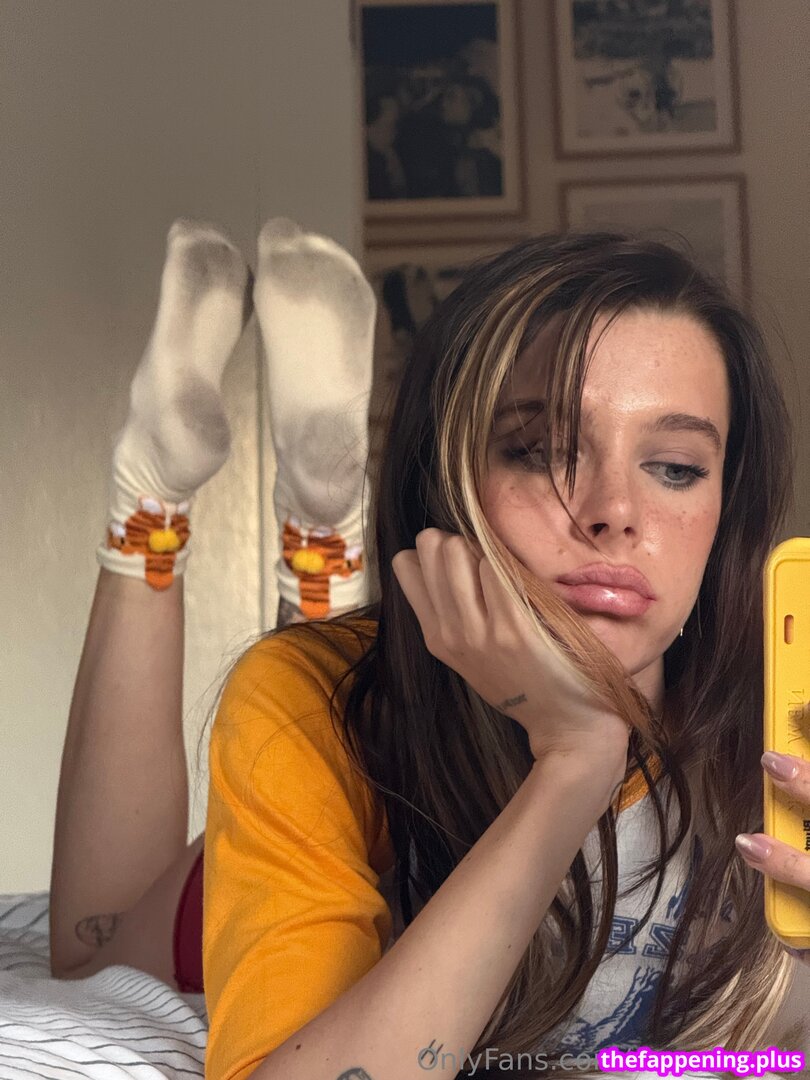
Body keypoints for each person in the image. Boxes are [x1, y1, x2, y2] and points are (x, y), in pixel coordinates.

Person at [51, 228, 810, 1080]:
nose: (614, 512)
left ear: (725, 511)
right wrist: (575, 760)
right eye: (538, 451)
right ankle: (157, 498)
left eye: (673, 467)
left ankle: (310, 552)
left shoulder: (784, 724)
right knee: (89, 952)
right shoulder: (312, 702)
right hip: (360, 745)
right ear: (444, 482)